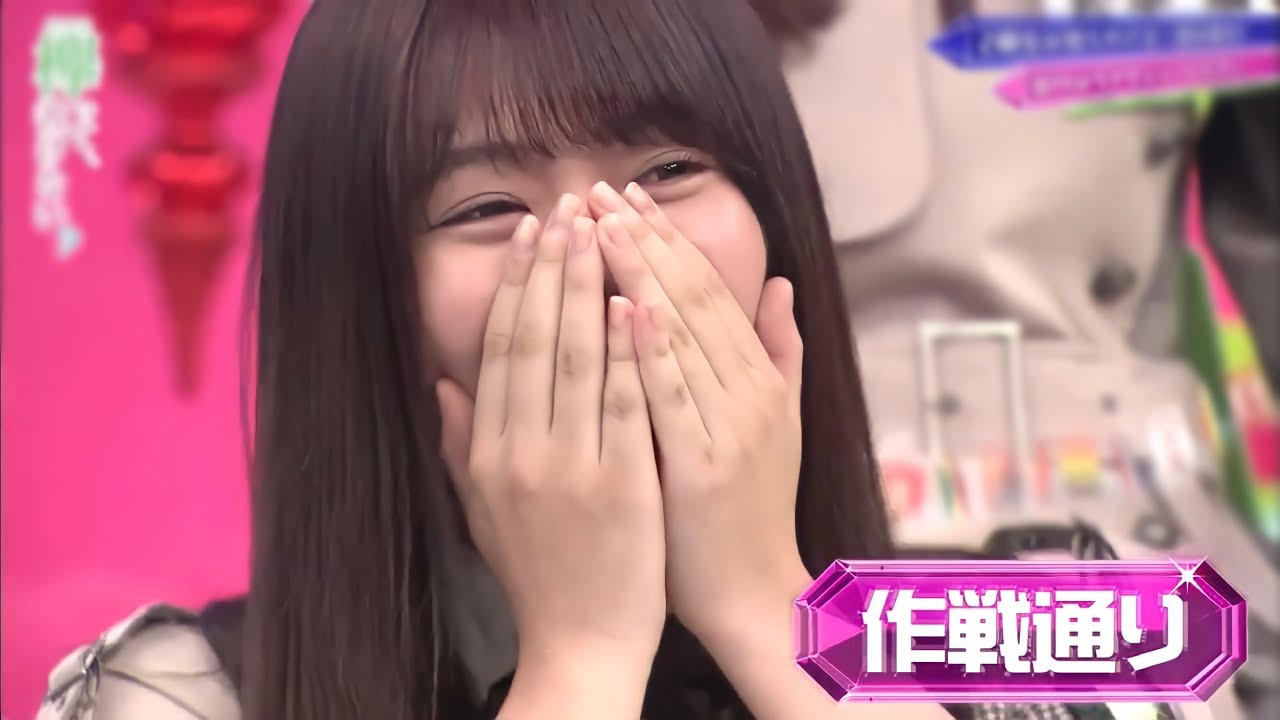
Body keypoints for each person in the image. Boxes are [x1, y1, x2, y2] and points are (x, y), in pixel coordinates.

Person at [36, 1, 908, 719]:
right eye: (487, 207)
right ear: (365, 294)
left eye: (670, 169)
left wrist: (767, 603)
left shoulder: (952, 630)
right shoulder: (170, 696)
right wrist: (581, 655)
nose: (595, 248)